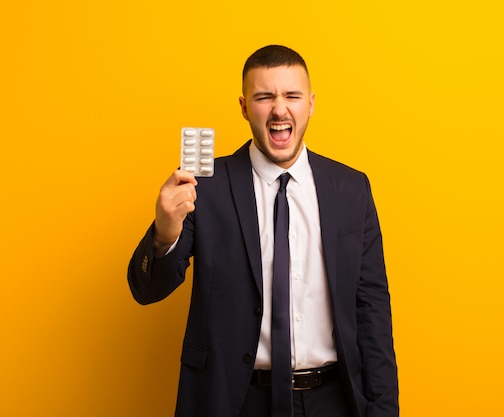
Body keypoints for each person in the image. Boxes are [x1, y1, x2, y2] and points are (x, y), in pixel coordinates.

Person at [128, 44, 399, 417]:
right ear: (243, 107)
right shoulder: (203, 188)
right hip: (235, 401)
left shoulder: (351, 188)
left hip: (333, 401)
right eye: (264, 97)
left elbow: (372, 312)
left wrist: (384, 409)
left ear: (311, 103)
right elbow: (147, 290)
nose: (279, 109)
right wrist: (164, 234)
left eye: (292, 95)